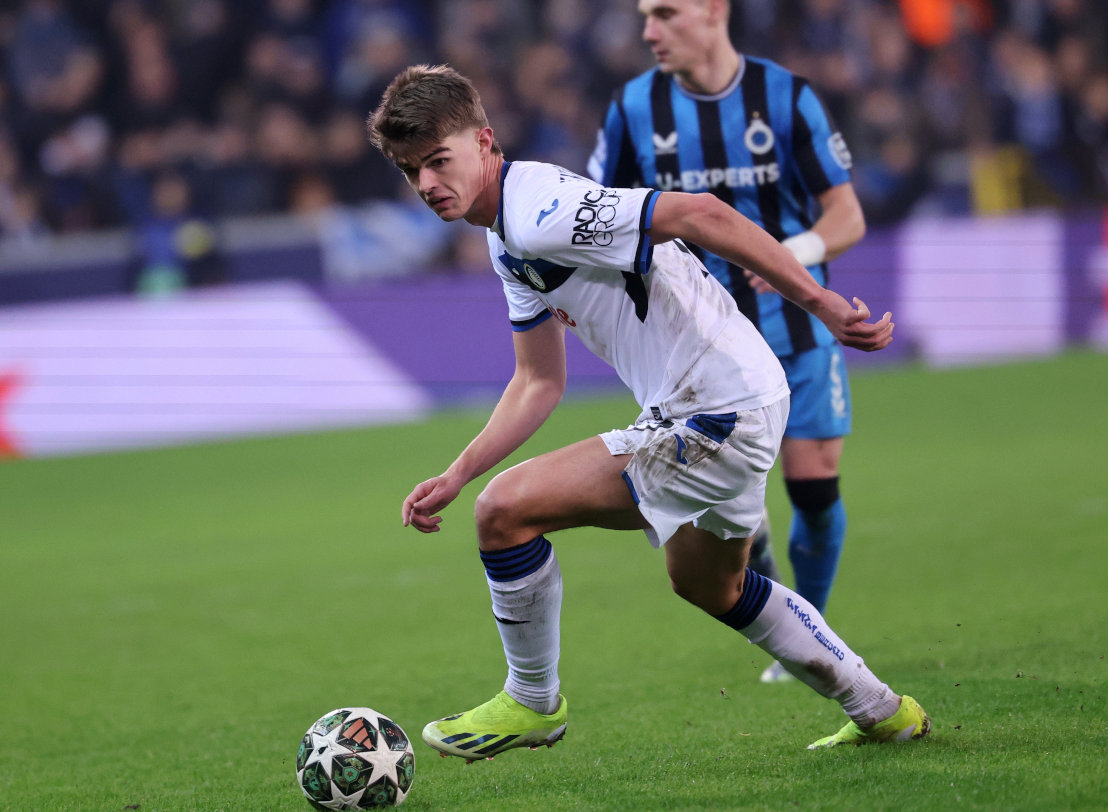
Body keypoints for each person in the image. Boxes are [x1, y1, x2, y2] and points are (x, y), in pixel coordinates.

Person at [370, 64, 928, 760]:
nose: (425, 184)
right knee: (708, 583)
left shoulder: (541, 212)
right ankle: (883, 710)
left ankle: (533, 701)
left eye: (437, 160)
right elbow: (538, 381)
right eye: (409, 170)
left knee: (504, 512)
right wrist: (454, 473)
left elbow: (703, 215)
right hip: (732, 400)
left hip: (715, 410)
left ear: (485, 141)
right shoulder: (505, 235)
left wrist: (820, 302)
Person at [588, 0, 865, 684]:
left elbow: (847, 215)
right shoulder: (632, 110)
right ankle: (777, 600)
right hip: (698, 348)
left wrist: (790, 257)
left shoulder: (787, 98)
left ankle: (811, 637)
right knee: (734, 517)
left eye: (665, 13)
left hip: (796, 327)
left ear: (714, 9)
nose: (648, 31)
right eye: (644, 16)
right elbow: (597, 213)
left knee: (815, 490)